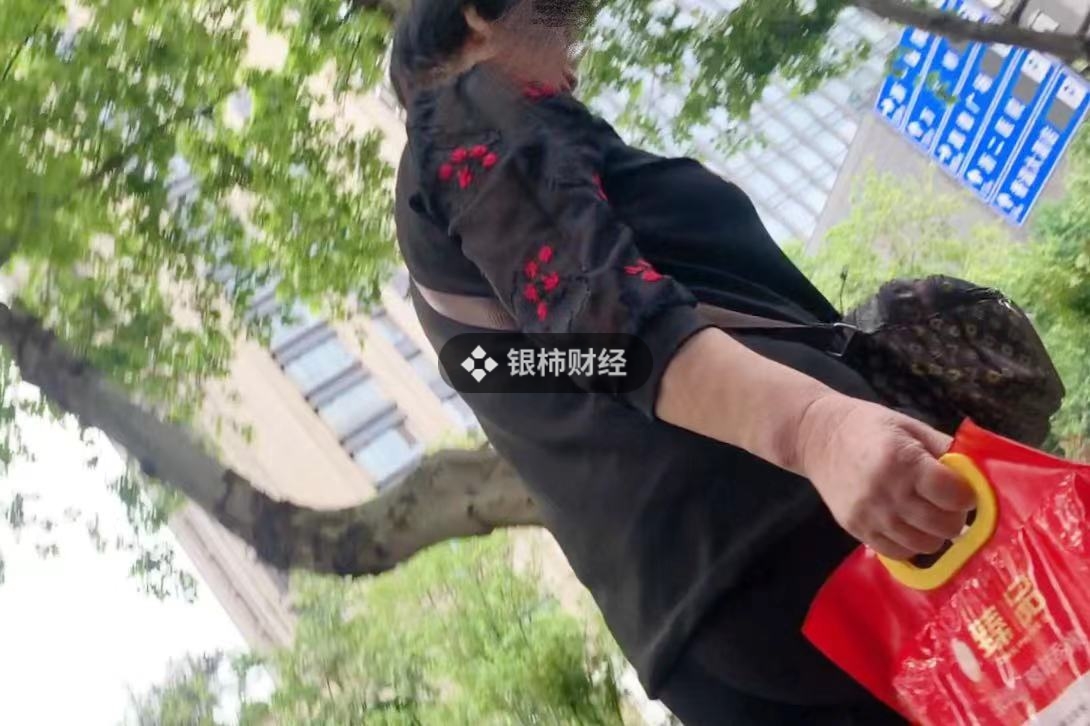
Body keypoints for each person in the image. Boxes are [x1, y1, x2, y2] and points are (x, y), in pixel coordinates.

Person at [390, 1, 976, 723]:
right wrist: (818, 430)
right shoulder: (462, 112)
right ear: (478, 19)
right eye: (559, 25)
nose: (574, 60)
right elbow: (607, 325)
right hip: (804, 541)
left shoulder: (444, 249)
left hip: (711, 613)